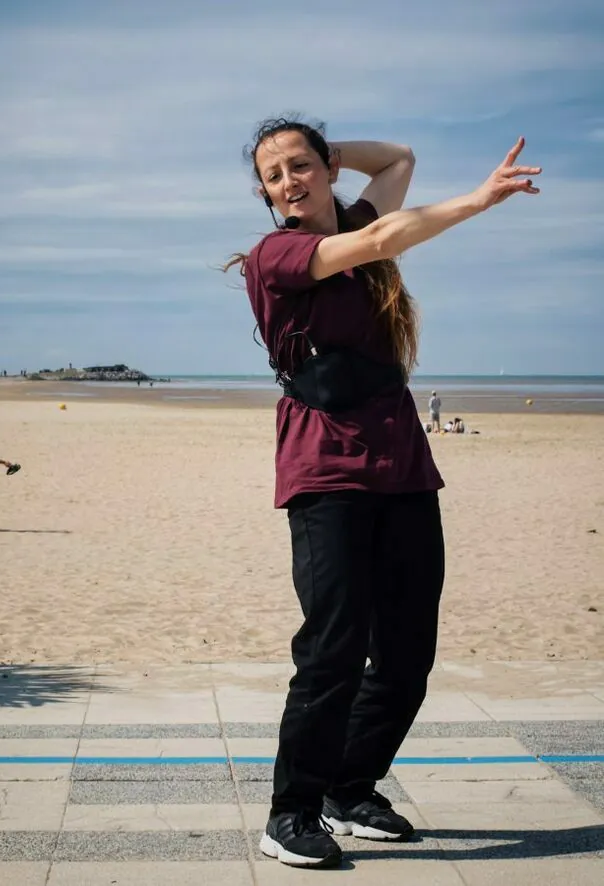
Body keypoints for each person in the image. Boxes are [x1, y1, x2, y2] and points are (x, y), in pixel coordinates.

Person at [225, 115, 540, 868]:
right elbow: (378, 243)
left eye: (302, 165)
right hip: (326, 466)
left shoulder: (357, 209)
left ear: (327, 169)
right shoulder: (280, 255)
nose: (290, 182)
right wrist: (477, 200)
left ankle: (350, 786)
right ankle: (291, 812)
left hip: (400, 459)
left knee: (406, 653)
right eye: (275, 176)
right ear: (266, 197)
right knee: (333, 648)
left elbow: (397, 157)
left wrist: (329, 157)